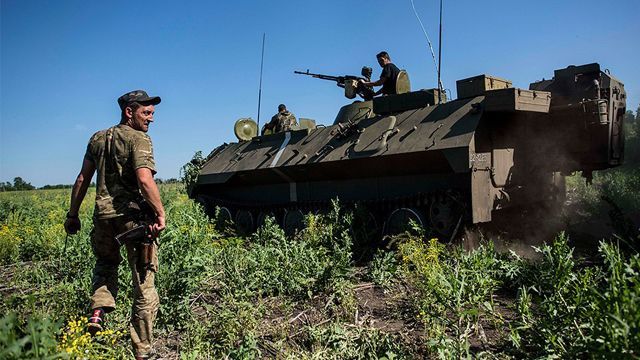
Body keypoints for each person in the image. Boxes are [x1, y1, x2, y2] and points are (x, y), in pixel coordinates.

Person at [64, 89, 166, 360]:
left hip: (103, 220)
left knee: (105, 266)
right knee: (144, 285)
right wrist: (160, 213)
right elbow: (145, 180)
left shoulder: (97, 138)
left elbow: (82, 179)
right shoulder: (139, 139)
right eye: (146, 113)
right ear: (128, 112)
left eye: (153, 113)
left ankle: (98, 312)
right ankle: (143, 351)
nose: (151, 119)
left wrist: (72, 215)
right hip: (133, 221)